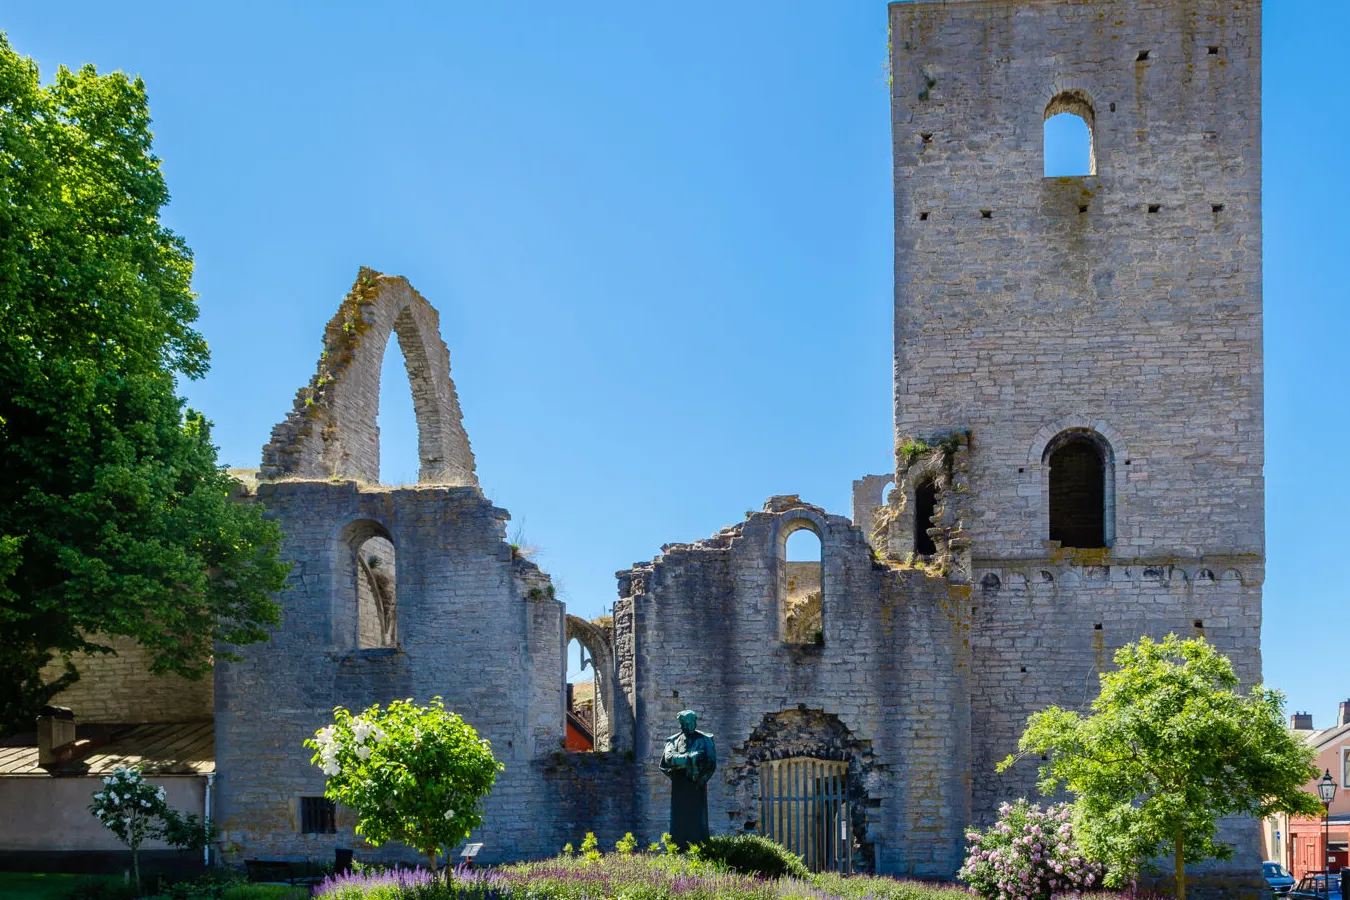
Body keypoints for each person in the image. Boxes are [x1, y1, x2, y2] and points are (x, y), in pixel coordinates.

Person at [660, 709, 716, 848]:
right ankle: (678, 849)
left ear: (695, 722)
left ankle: (699, 850)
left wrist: (699, 777)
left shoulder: (705, 740)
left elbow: (710, 763)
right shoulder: (673, 741)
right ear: (680, 724)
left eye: (690, 723)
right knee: (679, 822)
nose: (687, 726)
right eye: (684, 724)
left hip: (697, 784)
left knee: (697, 822)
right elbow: (668, 759)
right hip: (679, 785)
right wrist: (691, 758)